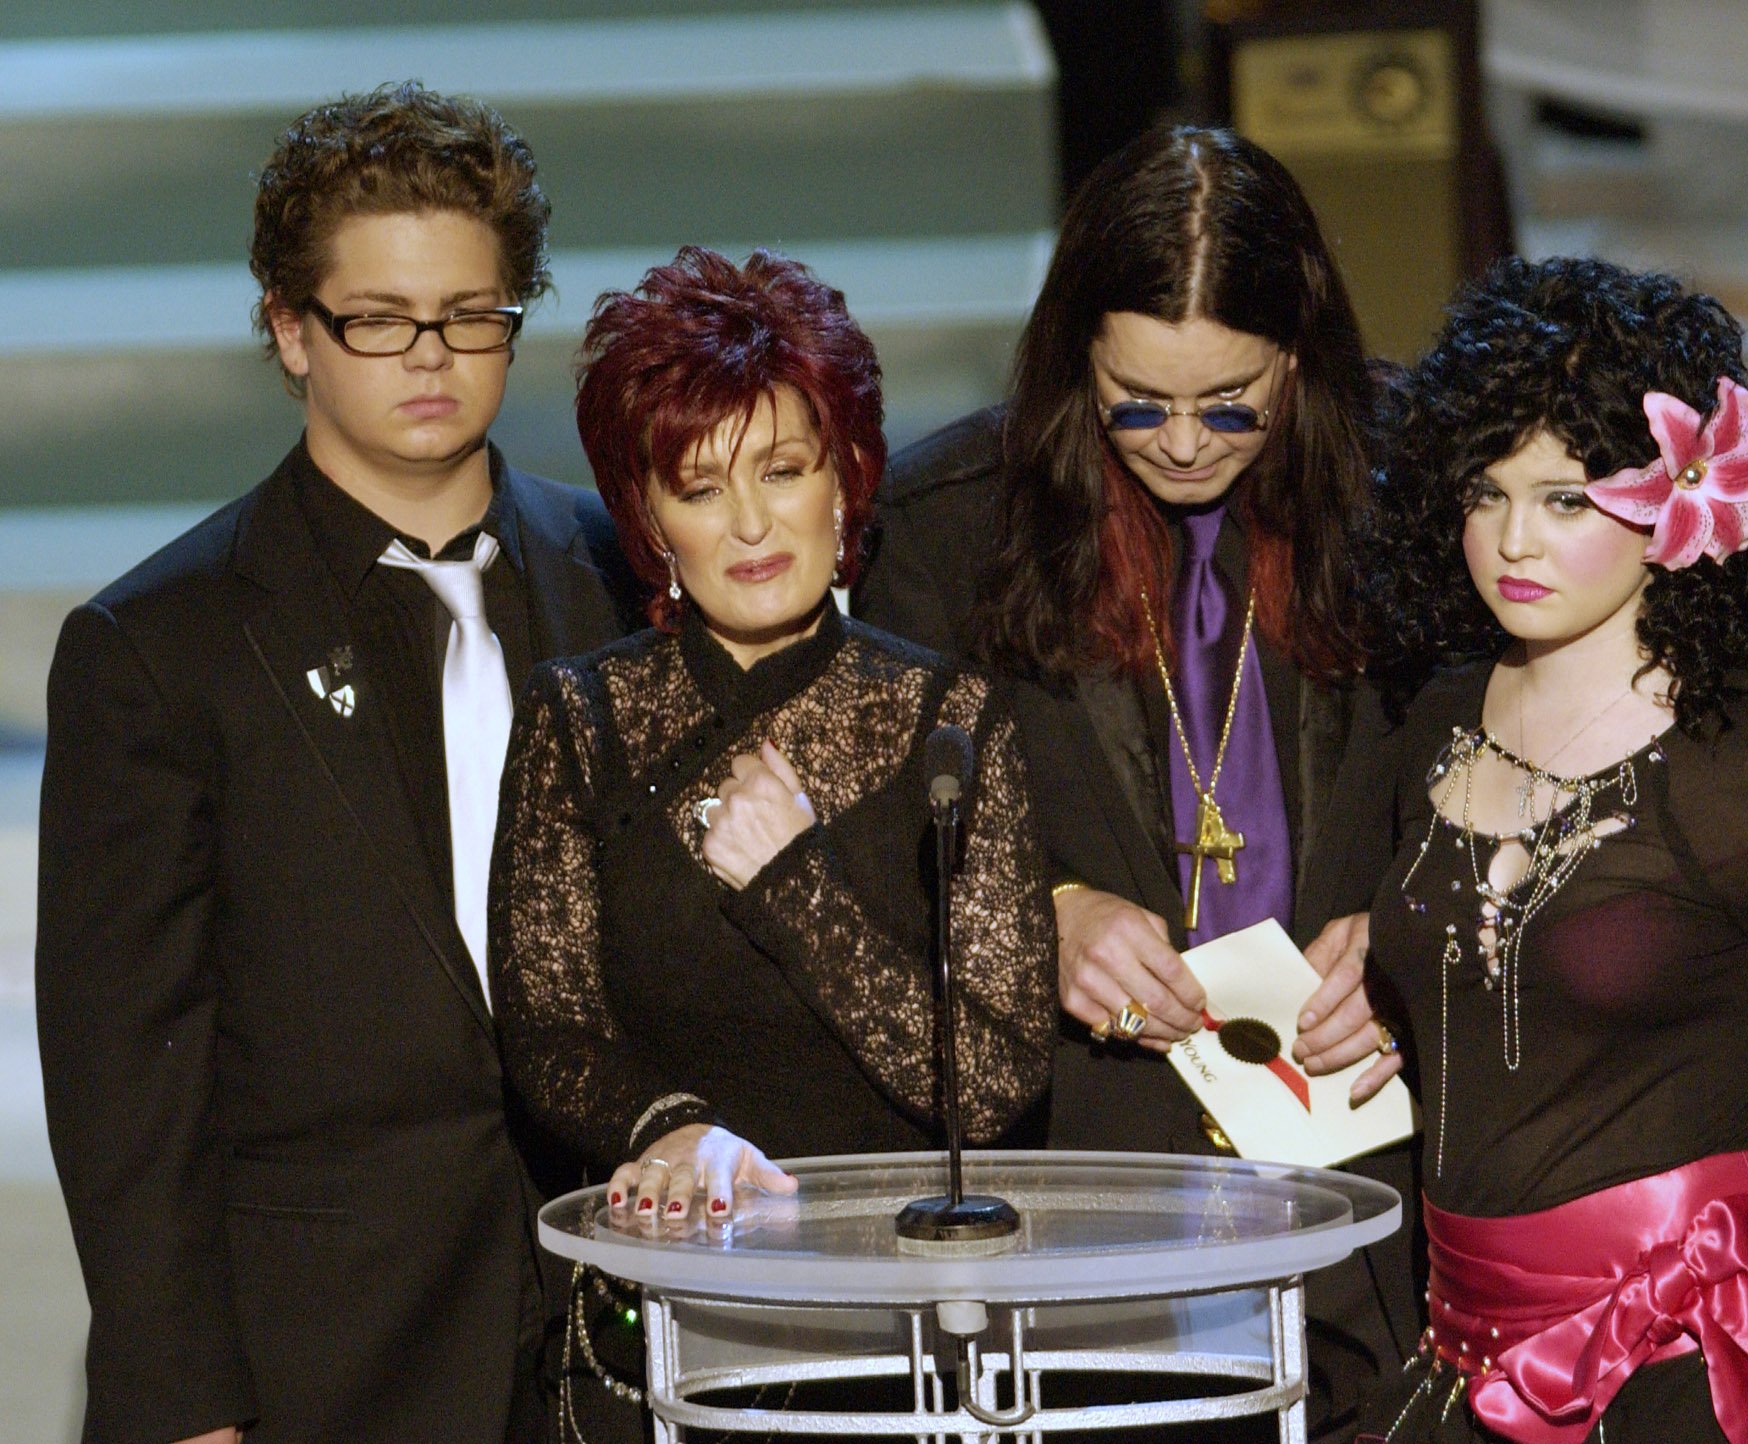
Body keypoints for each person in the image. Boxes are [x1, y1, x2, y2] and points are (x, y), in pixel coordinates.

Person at [35, 83, 644, 1443]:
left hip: (618, 1328)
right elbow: (124, 1075)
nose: (429, 356)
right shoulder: (157, 647)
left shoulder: (624, 575)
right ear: (288, 330)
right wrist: (180, 1402)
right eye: (377, 319)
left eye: (471, 316)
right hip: (321, 1354)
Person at [852, 124, 1418, 1436]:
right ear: (1072, 365)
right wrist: (1033, 909)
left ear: (1302, 359)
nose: (1181, 442)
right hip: (1089, 1192)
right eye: (1135, 401)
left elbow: (1504, 756)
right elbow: (873, 842)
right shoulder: (954, 526)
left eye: (1231, 403)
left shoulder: (1411, 497)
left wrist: (1417, 920)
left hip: (1366, 1169)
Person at [1356, 256, 1748, 1442]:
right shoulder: (1431, 717)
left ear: (1678, 500)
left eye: (1567, 499)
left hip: (1698, 1369)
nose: (1512, 539)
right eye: (1485, 491)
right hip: (1460, 1352)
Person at [488, 246, 1057, 1426]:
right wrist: (669, 1125)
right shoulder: (580, 717)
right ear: (647, 517)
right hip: (665, 1329)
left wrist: (792, 885)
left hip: (905, 1344)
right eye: (699, 488)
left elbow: (993, 1077)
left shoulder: (947, 719)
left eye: (783, 470)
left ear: (844, 480)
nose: (749, 522)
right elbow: (547, 1027)